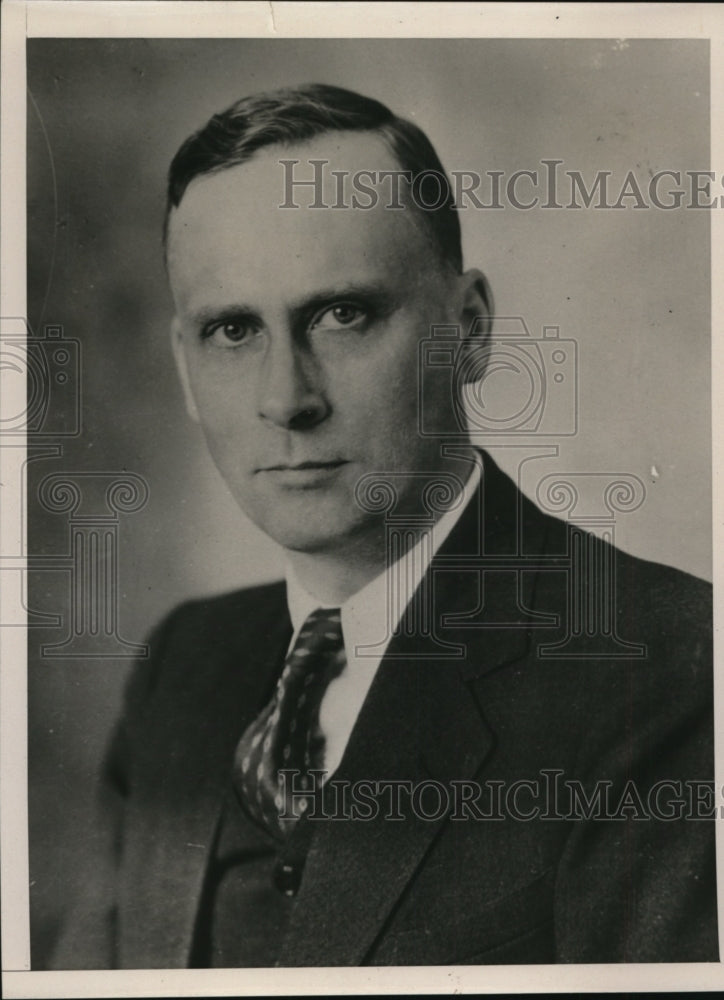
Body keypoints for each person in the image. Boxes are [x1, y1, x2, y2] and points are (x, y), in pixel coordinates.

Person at [52, 84, 717, 968]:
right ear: (183, 367)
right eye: (233, 330)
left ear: (470, 330)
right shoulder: (183, 668)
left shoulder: (672, 669)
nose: (287, 399)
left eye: (343, 314)